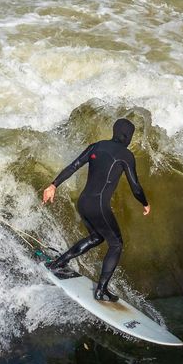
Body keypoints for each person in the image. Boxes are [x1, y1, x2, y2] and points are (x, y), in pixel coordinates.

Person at [41, 118, 150, 302]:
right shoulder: (126, 155)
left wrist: (53, 185)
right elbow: (135, 186)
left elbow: (73, 166)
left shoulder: (97, 146)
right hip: (99, 205)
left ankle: (59, 262)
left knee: (96, 237)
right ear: (127, 136)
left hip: (83, 203)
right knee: (116, 245)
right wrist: (145, 203)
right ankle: (101, 290)